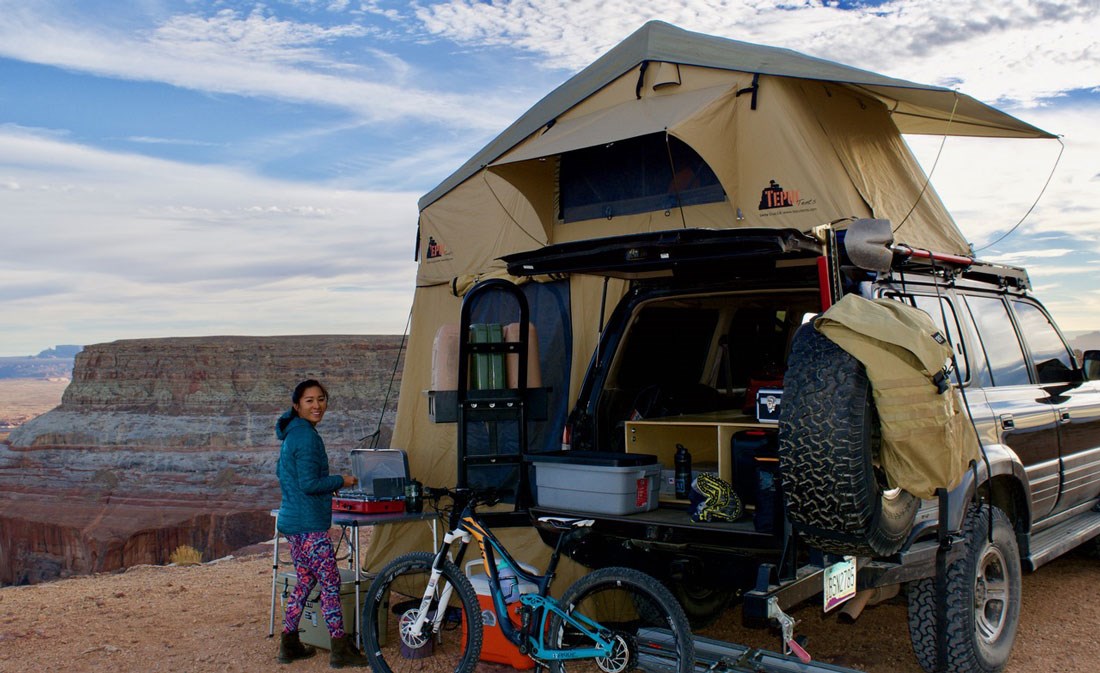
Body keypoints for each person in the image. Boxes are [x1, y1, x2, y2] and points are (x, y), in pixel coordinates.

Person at [275, 379, 369, 668]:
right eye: (309, 400)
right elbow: (308, 483)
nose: (317, 405)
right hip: (308, 525)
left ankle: (289, 643)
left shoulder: (293, 434)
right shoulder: (306, 437)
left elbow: (293, 480)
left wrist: (329, 485)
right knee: (330, 582)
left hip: (293, 521)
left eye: (321, 399)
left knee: (306, 579)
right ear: (297, 405)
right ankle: (340, 650)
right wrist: (342, 480)